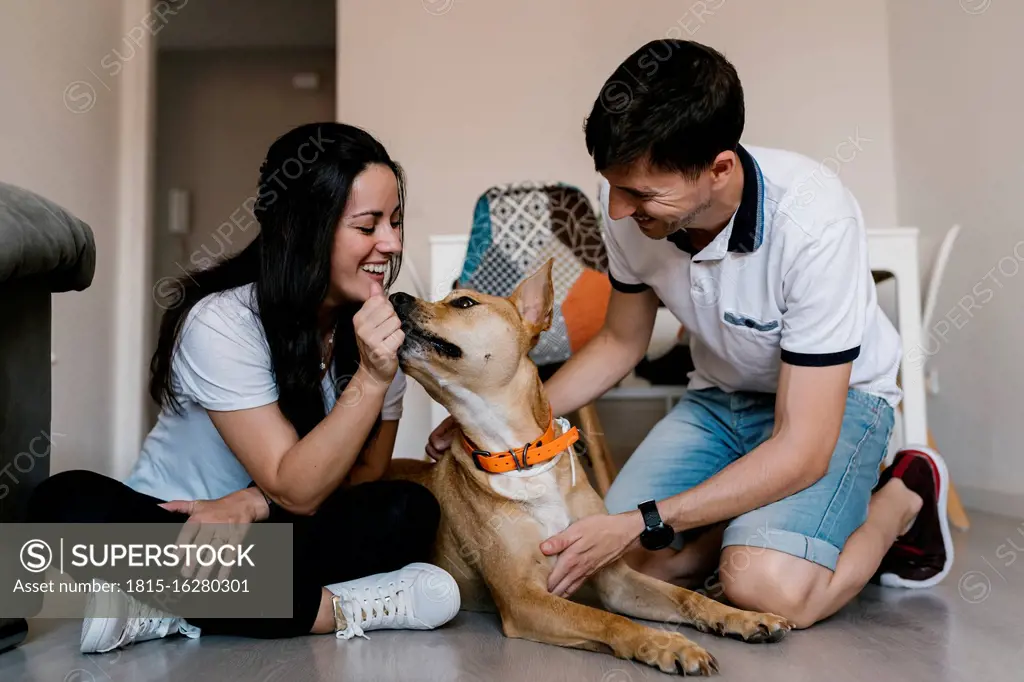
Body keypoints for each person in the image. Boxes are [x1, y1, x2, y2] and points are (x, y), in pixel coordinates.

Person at [427, 40, 953, 628]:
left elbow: (802, 447)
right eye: (613, 187)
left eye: (641, 195)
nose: (619, 212)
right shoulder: (627, 200)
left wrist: (646, 520)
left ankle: (905, 495)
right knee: (589, 563)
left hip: (837, 406)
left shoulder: (814, 219)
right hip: (718, 403)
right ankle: (727, 537)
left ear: (720, 168)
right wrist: (500, 417)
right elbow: (620, 343)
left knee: (764, 585)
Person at [28, 122, 460, 652]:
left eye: (394, 222)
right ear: (305, 228)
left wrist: (253, 503)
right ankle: (336, 609)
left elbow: (362, 476)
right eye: (368, 225)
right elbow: (292, 484)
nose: (390, 243)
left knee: (408, 509)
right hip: (175, 534)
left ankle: (165, 609)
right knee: (63, 503)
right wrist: (370, 380)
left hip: (282, 535)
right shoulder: (223, 321)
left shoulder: (374, 329)